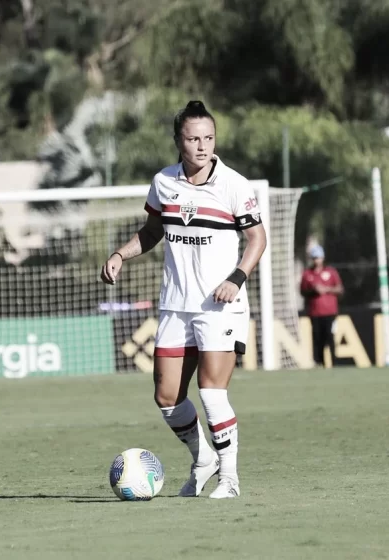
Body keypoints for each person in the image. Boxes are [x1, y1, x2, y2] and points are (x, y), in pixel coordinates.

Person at [100, 100, 267, 499]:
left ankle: (230, 479)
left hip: (220, 306)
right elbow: (151, 231)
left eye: (208, 138)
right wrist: (121, 254)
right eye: (193, 139)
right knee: (167, 397)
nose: (202, 145)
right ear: (178, 141)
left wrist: (237, 278)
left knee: (211, 392)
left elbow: (257, 239)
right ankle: (203, 458)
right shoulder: (163, 182)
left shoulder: (234, 185)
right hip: (175, 305)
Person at [300, 244, 343, 367]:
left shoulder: (331, 272)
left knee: (330, 336)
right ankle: (320, 362)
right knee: (318, 338)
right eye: (314, 258)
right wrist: (314, 290)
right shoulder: (307, 274)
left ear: (322, 258)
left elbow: (340, 289)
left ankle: (334, 362)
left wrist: (326, 289)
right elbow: (303, 291)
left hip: (330, 312)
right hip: (315, 312)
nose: (316, 260)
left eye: (318, 257)